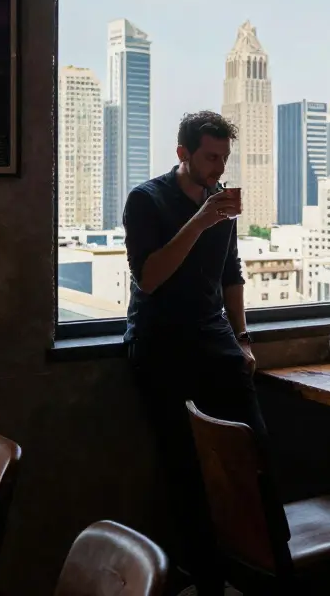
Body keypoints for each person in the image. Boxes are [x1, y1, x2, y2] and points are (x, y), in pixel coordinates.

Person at [124, 110, 263, 594]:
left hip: (214, 337)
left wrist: (242, 339)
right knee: (183, 468)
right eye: (210, 158)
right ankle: (203, 581)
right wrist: (201, 221)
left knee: (254, 451)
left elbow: (230, 272)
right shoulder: (146, 200)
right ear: (183, 153)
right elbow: (149, 277)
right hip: (160, 342)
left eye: (224, 158)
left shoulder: (219, 202)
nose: (219, 169)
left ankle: (264, 569)